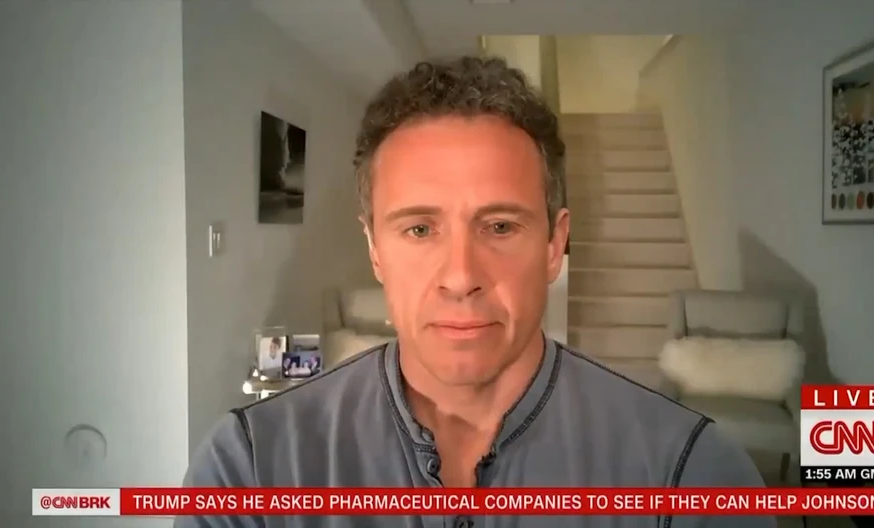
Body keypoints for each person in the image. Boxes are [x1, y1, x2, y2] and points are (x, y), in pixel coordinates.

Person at [178, 56, 774, 528]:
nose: (461, 277)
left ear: (554, 245)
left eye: (500, 227)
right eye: (419, 229)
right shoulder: (248, 469)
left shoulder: (691, 475)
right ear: (375, 250)